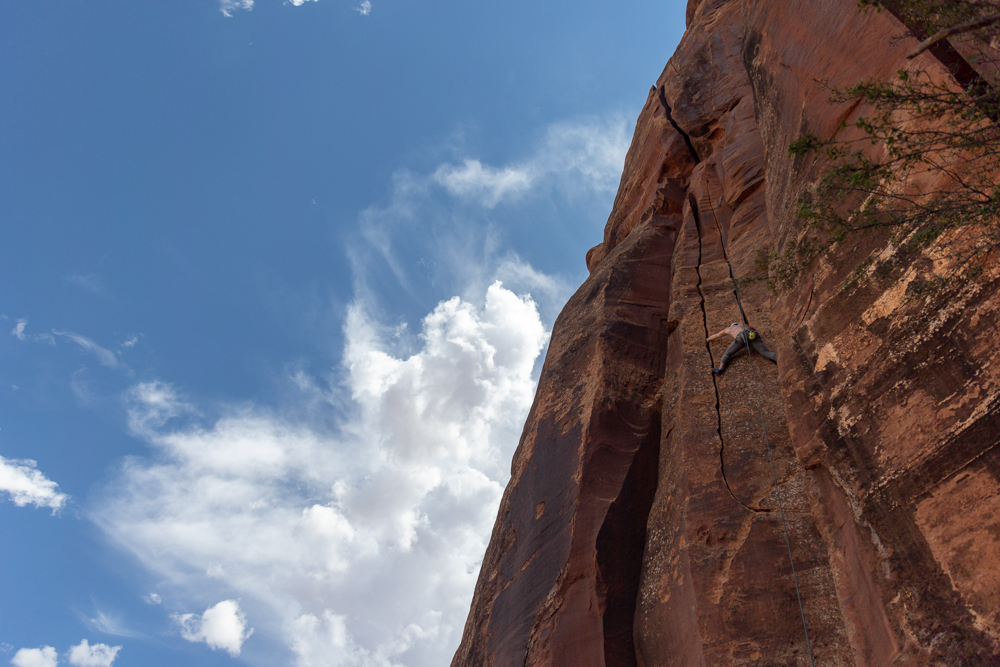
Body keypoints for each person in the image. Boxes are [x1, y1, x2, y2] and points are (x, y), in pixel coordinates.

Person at [707, 322, 777, 375]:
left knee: (727, 353)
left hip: (741, 336)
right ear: (737, 324)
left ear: (732, 325)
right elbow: (754, 329)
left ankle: (720, 369)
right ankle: (778, 358)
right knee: (765, 352)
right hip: (752, 334)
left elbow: (716, 335)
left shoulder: (728, 329)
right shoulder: (744, 324)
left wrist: (707, 339)